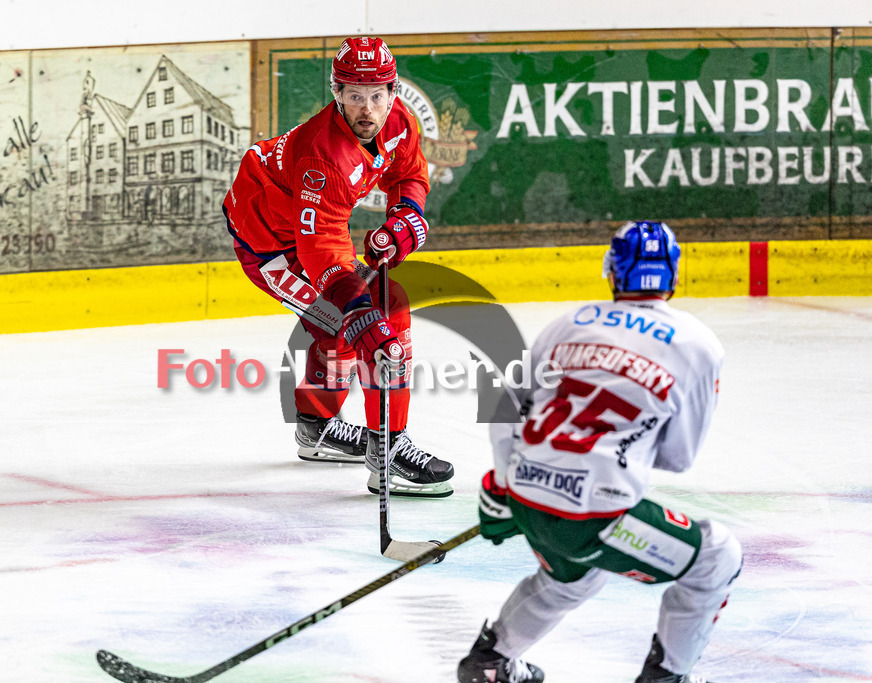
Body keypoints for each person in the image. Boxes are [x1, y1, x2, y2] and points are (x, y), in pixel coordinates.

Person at [458, 221, 743, 682]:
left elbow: (506, 404)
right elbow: (679, 458)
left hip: (528, 498)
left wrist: (505, 482)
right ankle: (667, 677)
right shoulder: (698, 343)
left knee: (575, 575)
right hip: (593, 516)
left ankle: (490, 662)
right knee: (716, 557)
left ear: (612, 271)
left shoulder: (568, 323)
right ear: (673, 274)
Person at [222, 37, 454, 497]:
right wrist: (361, 315)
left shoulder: (398, 121)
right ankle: (386, 448)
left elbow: (408, 173)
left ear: (392, 92)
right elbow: (321, 252)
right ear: (337, 93)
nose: (367, 109)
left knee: (354, 323)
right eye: (354, 95)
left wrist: (405, 217)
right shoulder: (323, 158)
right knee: (374, 315)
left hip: (304, 228)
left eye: (376, 95)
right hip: (269, 242)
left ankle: (317, 427)